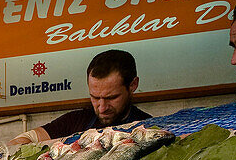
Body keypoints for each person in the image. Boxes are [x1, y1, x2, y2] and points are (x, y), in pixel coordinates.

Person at [9, 50, 151, 144]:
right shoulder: (75, 121)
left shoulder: (150, 128)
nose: (102, 107)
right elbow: (27, 138)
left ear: (133, 85)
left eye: (111, 98)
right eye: (95, 98)